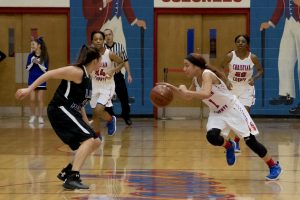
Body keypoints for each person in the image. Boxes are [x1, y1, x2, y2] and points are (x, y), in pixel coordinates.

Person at [158, 53, 282, 181]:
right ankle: (229, 145)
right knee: (212, 136)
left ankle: (274, 166)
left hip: (232, 108)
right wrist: (171, 87)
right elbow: (187, 97)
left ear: (196, 66)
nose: (184, 69)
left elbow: (205, 93)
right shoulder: (196, 79)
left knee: (250, 141)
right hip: (217, 112)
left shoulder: (207, 74)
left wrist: (186, 91)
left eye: (186, 65)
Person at [15, 45, 102, 189]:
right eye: (101, 60)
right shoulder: (76, 72)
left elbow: (80, 104)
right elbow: (49, 74)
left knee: (96, 141)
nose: (102, 63)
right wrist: (29, 89)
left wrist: (87, 123)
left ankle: (67, 171)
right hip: (59, 109)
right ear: (96, 60)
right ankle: (73, 177)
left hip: (71, 111)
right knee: (88, 139)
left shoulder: (88, 77)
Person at [220, 34, 264, 153]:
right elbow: (220, 67)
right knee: (230, 114)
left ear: (247, 44)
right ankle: (229, 140)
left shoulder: (252, 57)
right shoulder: (230, 56)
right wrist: (226, 80)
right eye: (238, 41)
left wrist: (254, 78)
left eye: (243, 41)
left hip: (246, 89)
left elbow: (261, 70)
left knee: (244, 117)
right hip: (232, 88)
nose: (240, 43)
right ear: (235, 43)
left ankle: (236, 142)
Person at [260, 0, 300, 113]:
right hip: (289, 23)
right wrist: (270, 23)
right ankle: (287, 94)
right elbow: (280, 6)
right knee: (284, 60)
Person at [90, 31, 124, 137]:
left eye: (100, 39)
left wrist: (113, 70)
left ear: (104, 40)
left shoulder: (109, 53)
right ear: (92, 41)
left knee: (98, 109)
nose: (98, 41)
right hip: (94, 85)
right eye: (96, 39)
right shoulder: (90, 54)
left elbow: (121, 62)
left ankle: (109, 120)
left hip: (107, 86)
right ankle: (98, 134)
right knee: (95, 113)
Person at [82, 0, 146, 49]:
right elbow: (87, 13)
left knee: (121, 53)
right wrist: (104, 2)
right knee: (102, 58)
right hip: (101, 25)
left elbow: (126, 3)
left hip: (117, 23)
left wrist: (135, 21)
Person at [104, 28, 133, 126]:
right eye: (106, 35)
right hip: (106, 77)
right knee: (107, 99)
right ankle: (110, 118)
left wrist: (129, 74)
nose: (108, 37)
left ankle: (126, 116)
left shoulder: (119, 47)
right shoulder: (102, 49)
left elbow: (125, 61)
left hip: (118, 76)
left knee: (124, 97)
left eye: (109, 34)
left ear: (112, 35)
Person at [25, 37, 49, 124]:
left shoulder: (45, 56)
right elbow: (27, 68)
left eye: (33, 44)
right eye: (31, 44)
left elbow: (46, 70)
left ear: (39, 45)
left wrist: (39, 63)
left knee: (40, 99)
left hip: (41, 79)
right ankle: (32, 116)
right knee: (32, 99)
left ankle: (40, 117)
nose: (32, 46)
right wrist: (32, 62)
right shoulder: (30, 56)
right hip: (32, 80)